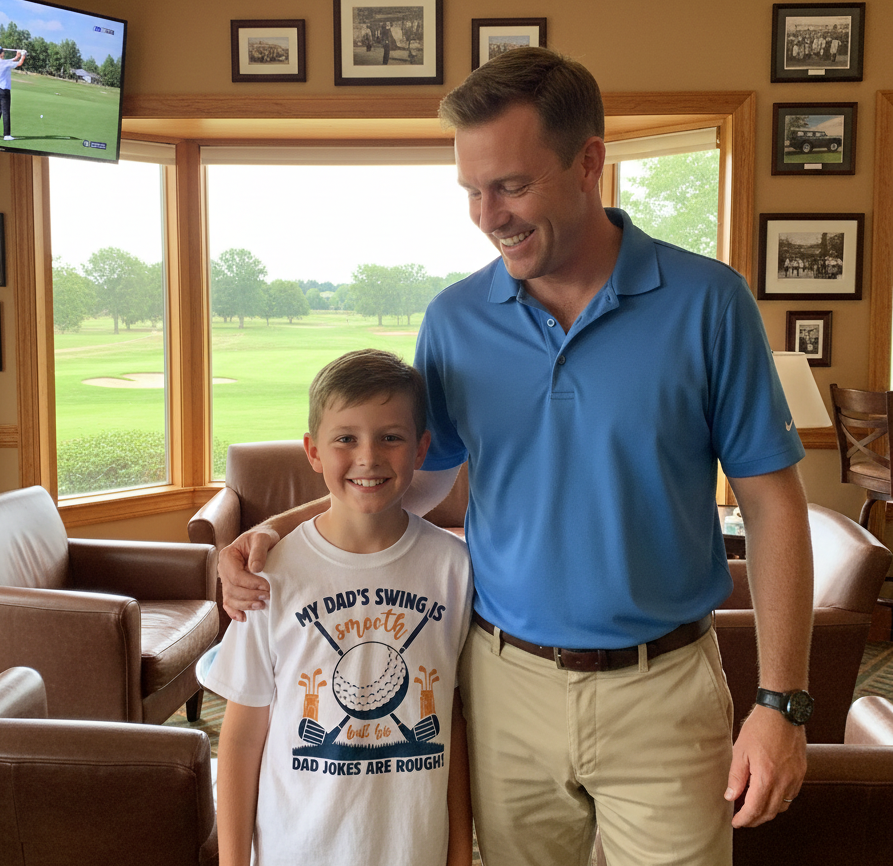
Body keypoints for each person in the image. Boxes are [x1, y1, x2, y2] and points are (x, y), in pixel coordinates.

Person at [219, 48, 813, 866]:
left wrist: (781, 703)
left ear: (589, 162)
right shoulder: (455, 321)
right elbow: (410, 484)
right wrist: (277, 532)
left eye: (511, 185)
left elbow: (773, 505)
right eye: (471, 190)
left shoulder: (709, 303)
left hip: (664, 687)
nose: (487, 214)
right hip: (503, 684)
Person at [207, 349, 474, 866]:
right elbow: (240, 740)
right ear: (312, 451)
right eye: (345, 438)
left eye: (390, 437)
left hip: (412, 848)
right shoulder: (271, 575)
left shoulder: (452, 568)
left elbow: (453, 719)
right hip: (298, 848)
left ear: (422, 449)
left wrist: (459, 854)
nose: (368, 457)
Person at [0, 47, 26, 141]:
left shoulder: (4, 62)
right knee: (5, 112)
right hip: (4, 90)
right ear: (1, 54)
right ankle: (7, 135)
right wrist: (23, 55)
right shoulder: (5, 63)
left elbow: (12, 60)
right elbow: (19, 63)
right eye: (3, 52)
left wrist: (17, 56)